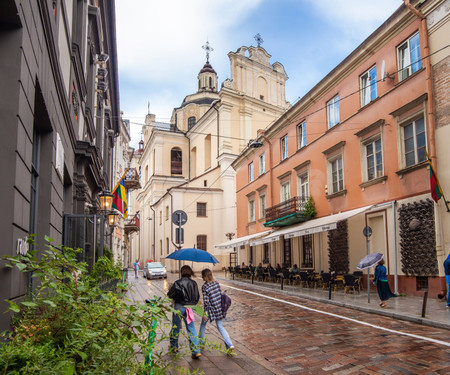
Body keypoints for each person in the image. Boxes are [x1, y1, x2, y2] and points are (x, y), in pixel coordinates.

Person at [168, 265, 202, 358]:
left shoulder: (178, 283)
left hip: (179, 306)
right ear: (190, 272)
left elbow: (170, 294)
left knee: (176, 326)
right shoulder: (194, 283)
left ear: (182, 272)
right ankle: (196, 350)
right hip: (189, 308)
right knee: (191, 328)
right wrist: (192, 304)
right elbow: (197, 297)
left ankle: (174, 346)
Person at [199, 269, 234, 352]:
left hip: (210, 310)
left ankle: (201, 343)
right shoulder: (216, 283)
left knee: (203, 325)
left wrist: (205, 313)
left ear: (205, 277)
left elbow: (206, 301)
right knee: (220, 326)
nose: (202, 277)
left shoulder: (205, 287)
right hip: (219, 308)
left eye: (202, 276)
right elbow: (219, 295)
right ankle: (229, 344)